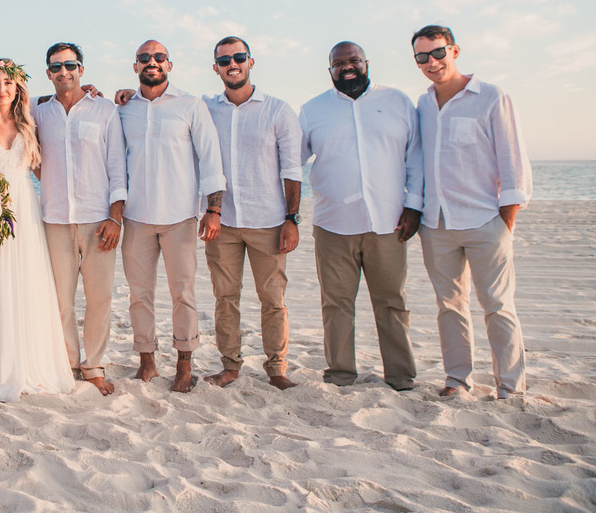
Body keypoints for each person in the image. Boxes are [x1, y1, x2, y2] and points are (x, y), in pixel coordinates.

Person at [411, 25, 532, 399]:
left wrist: (505, 223)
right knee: (449, 306)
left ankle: (510, 388)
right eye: (422, 57)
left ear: (454, 51)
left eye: (438, 52)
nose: (432, 62)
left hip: (485, 221)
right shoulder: (423, 105)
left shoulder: (492, 97)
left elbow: (513, 163)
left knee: (498, 305)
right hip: (436, 224)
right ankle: (457, 380)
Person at [299, 41, 422, 391]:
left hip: (389, 222)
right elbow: (291, 161)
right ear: (330, 71)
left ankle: (400, 376)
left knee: (392, 302)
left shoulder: (398, 102)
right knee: (336, 304)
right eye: (339, 64)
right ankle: (340, 375)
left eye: (353, 61)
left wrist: (414, 205)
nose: (347, 67)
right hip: (332, 224)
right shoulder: (312, 110)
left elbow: (415, 158)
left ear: (366, 63)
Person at [0, 59, 75, 401]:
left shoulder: (29, 125)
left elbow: (43, 172)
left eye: (8, 82)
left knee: (24, 283)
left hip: (23, 214)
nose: (1, 88)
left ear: (17, 87)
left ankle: (27, 360)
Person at [119, 40, 226, 393]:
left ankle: (184, 365)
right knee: (139, 295)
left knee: (183, 294)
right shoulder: (123, 109)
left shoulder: (191, 105)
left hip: (180, 217)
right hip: (136, 217)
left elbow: (211, 159)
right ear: (136, 66)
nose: (152, 62)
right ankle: (147, 362)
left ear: (169, 65)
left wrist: (213, 209)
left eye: (159, 57)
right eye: (144, 58)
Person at [202, 37, 302, 390]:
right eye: (224, 60)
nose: (232, 64)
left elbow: (292, 169)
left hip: (268, 222)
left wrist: (292, 219)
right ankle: (230, 366)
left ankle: (277, 369)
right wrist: (125, 92)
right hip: (222, 222)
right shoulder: (205, 108)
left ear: (250, 62)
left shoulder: (278, 110)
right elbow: (170, 103)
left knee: (273, 300)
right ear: (216, 68)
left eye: (239, 57)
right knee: (225, 298)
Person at [32, 42, 127, 396]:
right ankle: (69, 363)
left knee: (100, 298)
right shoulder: (39, 112)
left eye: (70, 65)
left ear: (81, 69)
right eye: (56, 67)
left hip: (98, 219)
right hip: (54, 219)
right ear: (48, 73)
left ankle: (94, 365)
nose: (64, 72)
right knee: (60, 299)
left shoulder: (104, 110)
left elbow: (117, 166)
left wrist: (115, 218)